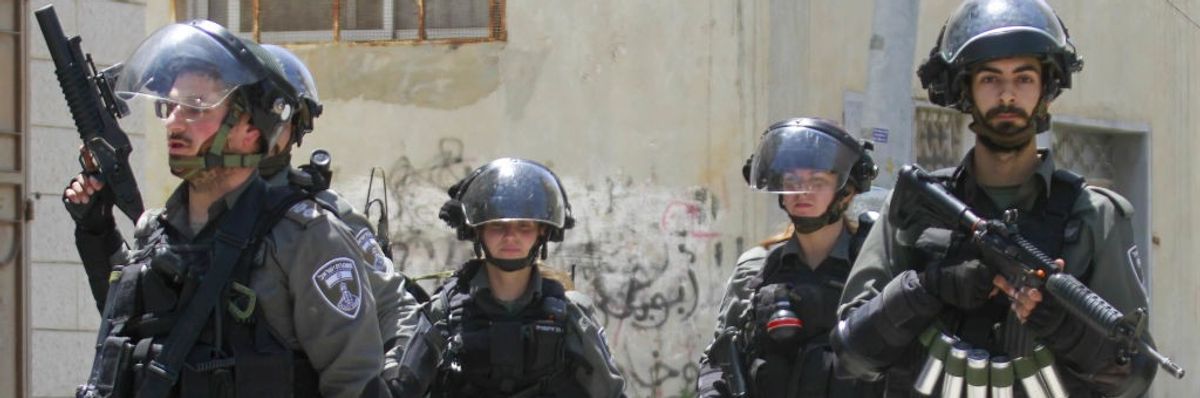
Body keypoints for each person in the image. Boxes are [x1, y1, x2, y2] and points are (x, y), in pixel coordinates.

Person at [831, 1, 1157, 397]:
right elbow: (852, 355)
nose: (1007, 95)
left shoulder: (1094, 216)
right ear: (965, 89)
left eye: (1023, 78)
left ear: (1046, 88)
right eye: (989, 79)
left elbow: (1134, 377)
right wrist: (927, 288)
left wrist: (1064, 327)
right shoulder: (919, 205)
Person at [63, 20, 389, 397]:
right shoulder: (155, 232)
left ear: (251, 130)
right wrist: (97, 230)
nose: (173, 121)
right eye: (170, 106)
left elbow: (355, 379)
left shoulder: (306, 238)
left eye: (196, 107)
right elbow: (125, 328)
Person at [386, 158, 626, 398]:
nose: (511, 237)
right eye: (498, 227)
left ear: (542, 232)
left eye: (524, 227)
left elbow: (612, 393)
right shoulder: (445, 312)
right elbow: (403, 390)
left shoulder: (571, 315)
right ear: (478, 230)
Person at [696, 117, 881, 397]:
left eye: (817, 181)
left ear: (847, 192)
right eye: (792, 180)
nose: (802, 191)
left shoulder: (874, 267)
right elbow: (719, 356)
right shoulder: (757, 268)